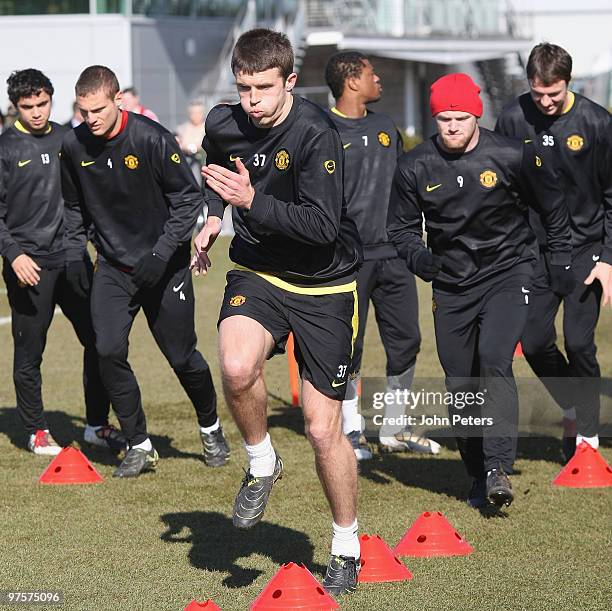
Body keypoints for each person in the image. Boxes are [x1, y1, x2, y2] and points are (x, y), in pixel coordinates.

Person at [191, 29, 363, 595]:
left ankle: (345, 544)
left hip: (326, 286)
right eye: (243, 88)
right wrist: (214, 215)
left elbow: (322, 227)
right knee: (237, 367)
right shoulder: (223, 122)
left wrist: (249, 203)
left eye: (263, 88)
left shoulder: (317, 133)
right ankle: (261, 461)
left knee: (320, 429)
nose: (252, 102)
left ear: (290, 81)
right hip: (259, 271)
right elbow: (215, 171)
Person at [387, 73, 573, 509]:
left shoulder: (512, 155)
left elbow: (553, 206)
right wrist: (422, 260)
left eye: (461, 117)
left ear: (476, 115)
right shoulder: (414, 166)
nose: (451, 126)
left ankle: (497, 468)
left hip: (508, 273)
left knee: (494, 359)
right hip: (451, 284)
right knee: (460, 381)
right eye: (444, 119)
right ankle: (476, 473)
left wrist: (560, 260)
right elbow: (400, 229)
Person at [60, 65, 229, 477]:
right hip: (114, 268)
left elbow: (187, 200)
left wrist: (162, 254)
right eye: (83, 112)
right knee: (107, 351)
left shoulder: (151, 138)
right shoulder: (73, 145)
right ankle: (139, 444)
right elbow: (73, 208)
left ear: (118, 99)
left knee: (182, 356)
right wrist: (71, 254)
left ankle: (211, 428)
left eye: (98, 109)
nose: (91, 119)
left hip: (164, 267)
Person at [495, 43, 612, 460]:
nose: (545, 102)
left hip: (585, 252)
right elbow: (502, 184)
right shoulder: (511, 118)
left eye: (554, 94)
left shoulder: (597, 122)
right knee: (535, 340)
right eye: (537, 93)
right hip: (533, 252)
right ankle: (573, 404)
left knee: (580, 343)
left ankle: (587, 433)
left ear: (570, 82)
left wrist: (608, 260)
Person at [323, 51, 440, 461]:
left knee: (407, 340)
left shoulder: (386, 127)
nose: (380, 81)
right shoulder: (323, 131)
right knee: (348, 348)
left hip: (395, 255)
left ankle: (393, 426)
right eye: (373, 74)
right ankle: (352, 431)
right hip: (347, 260)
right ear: (353, 81)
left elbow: (406, 186)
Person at [0, 69, 119, 455]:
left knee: (100, 343)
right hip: (28, 268)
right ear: (14, 107)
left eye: (42, 103)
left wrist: (97, 244)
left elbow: (90, 198)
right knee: (30, 352)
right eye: (27, 106)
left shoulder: (70, 140)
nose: (36, 112)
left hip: (73, 261)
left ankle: (96, 425)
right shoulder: (5, 148)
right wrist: (14, 254)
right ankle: (35, 430)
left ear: (52, 99)